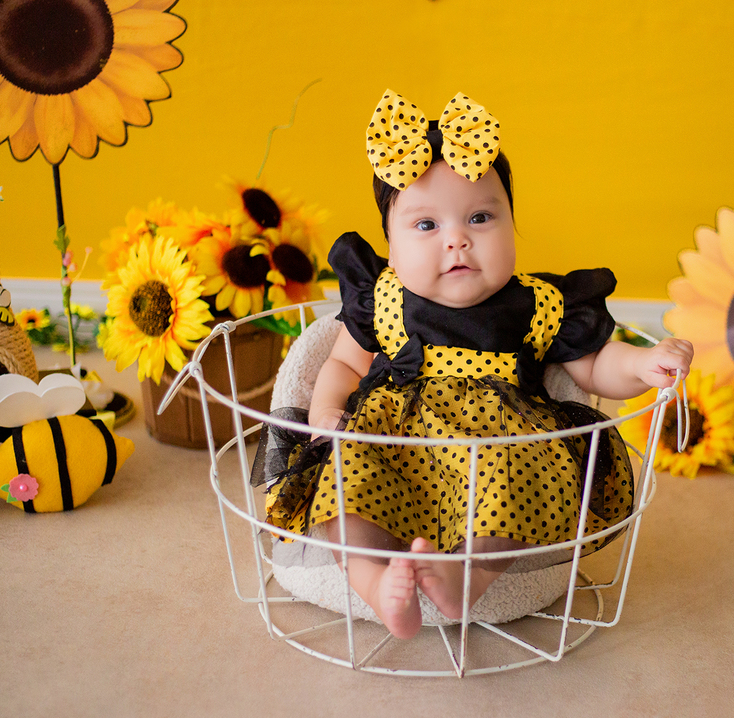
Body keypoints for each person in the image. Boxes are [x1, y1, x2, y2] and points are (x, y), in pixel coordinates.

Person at [265, 90, 693, 639]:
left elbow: (591, 366)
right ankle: (375, 582)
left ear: (513, 224)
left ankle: (464, 580)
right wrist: (326, 415)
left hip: (500, 442)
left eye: (481, 217)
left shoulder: (539, 302)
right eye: (427, 226)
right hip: (394, 436)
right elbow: (344, 365)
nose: (458, 240)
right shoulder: (384, 297)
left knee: (529, 479)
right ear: (390, 246)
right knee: (347, 478)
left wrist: (642, 363)